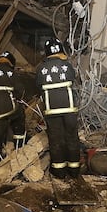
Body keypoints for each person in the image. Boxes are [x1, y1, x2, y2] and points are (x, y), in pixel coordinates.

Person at [36, 37, 82, 179]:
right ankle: (74, 171)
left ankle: (59, 172)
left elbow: (38, 87)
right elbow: (74, 80)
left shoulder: (41, 69)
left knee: (56, 140)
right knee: (72, 138)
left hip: (52, 111)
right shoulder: (66, 66)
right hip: (69, 111)